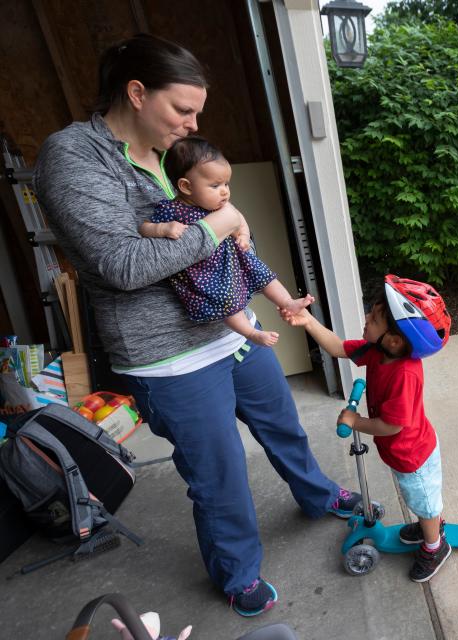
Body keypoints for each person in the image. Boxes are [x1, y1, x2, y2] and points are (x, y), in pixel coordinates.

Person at [33, 33, 368, 617]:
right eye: (181, 109)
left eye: (196, 113)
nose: (190, 124)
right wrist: (222, 225)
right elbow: (122, 264)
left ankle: (317, 496)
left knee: (283, 425)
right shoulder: (75, 157)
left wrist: (240, 239)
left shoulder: (171, 156)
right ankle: (238, 573)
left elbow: (218, 219)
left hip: (233, 333)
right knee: (220, 476)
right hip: (169, 357)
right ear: (136, 93)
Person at [283, 275, 455, 582]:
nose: (366, 318)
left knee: (424, 501)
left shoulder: (405, 374)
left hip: (414, 455)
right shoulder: (377, 351)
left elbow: (390, 425)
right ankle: (429, 526)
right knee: (416, 498)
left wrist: (355, 421)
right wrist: (307, 321)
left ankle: (435, 545)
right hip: (401, 452)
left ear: (393, 340)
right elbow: (337, 347)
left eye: (374, 318)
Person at [139, 136, 313, 347]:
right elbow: (144, 227)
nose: (225, 191)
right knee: (225, 301)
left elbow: (239, 219)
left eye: (226, 183)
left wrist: (243, 235)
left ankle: (287, 302)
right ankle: (251, 333)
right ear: (185, 186)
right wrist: (164, 228)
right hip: (204, 273)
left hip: (233, 258)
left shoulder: (219, 205)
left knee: (265, 275)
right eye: (215, 185)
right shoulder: (170, 210)